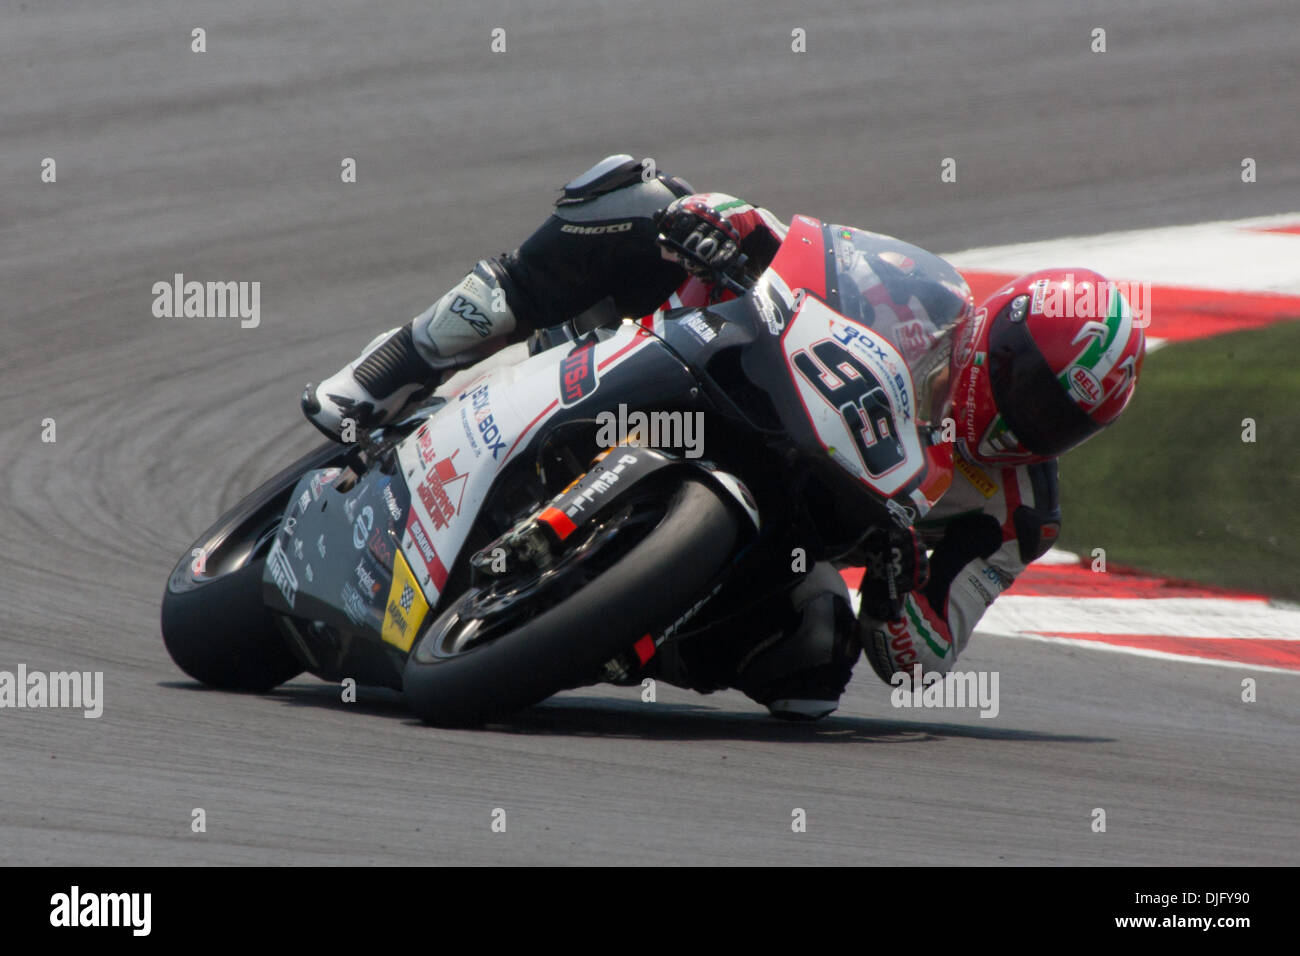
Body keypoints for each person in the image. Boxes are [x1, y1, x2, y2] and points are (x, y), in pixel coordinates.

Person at [302, 154, 1145, 719]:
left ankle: (597, 630)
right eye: (1025, 380)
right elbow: (803, 251)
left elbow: (923, 659)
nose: (1025, 415)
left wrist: (898, 583)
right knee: (635, 194)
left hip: (788, 527)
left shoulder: (1014, 515)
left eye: (1058, 418)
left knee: (815, 675)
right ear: (994, 329)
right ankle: (392, 366)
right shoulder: (925, 298)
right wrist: (727, 225)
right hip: (718, 371)